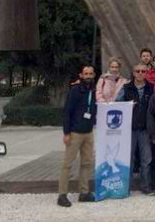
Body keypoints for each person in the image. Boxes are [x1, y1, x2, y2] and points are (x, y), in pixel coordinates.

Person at [58, 65, 97, 207]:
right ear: (81, 75)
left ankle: (84, 192)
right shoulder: (74, 91)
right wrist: (66, 133)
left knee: (86, 164)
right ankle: (62, 194)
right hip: (74, 133)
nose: (88, 76)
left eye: (90, 74)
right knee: (67, 164)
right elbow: (67, 112)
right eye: (85, 74)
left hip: (88, 132)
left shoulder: (93, 90)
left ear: (93, 75)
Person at [122, 63, 155, 194]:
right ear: (133, 73)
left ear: (146, 73)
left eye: (143, 71)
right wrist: (126, 105)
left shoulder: (151, 88)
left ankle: (145, 186)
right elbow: (116, 104)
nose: (140, 73)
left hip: (145, 129)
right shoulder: (126, 88)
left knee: (146, 159)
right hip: (129, 129)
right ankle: (126, 187)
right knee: (128, 159)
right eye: (138, 71)